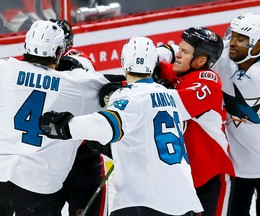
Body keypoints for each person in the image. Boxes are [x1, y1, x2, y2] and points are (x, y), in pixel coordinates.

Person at [39, 36, 204, 216]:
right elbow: (150, 137)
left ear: (123, 62)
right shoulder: (170, 96)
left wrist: (64, 126)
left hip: (144, 201)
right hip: (184, 199)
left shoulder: (129, 96)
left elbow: (104, 125)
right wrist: (114, 148)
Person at [0, 19, 115, 216]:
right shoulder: (76, 82)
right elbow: (115, 90)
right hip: (41, 180)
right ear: (59, 50)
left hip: (9, 173)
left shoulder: (5, 69)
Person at [212, 13, 260, 216]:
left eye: (240, 38)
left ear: (258, 45)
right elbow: (183, 50)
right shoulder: (220, 55)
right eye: (232, 35)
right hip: (235, 169)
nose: (232, 42)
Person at [156, 27, 235, 216]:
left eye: (184, 52)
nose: (178, 55)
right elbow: (155, 60)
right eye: (179, 49)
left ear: (200, 61)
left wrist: (155, 89)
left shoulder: (208, 80)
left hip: (211, 178)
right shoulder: (179, 74)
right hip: (184, 180)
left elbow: (177, 105)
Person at [50, 18, 114, 216]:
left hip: (83, 160)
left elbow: (83, 67)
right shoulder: (34, 63)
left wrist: (65, 65)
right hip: (49, 157)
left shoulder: (75, 57)